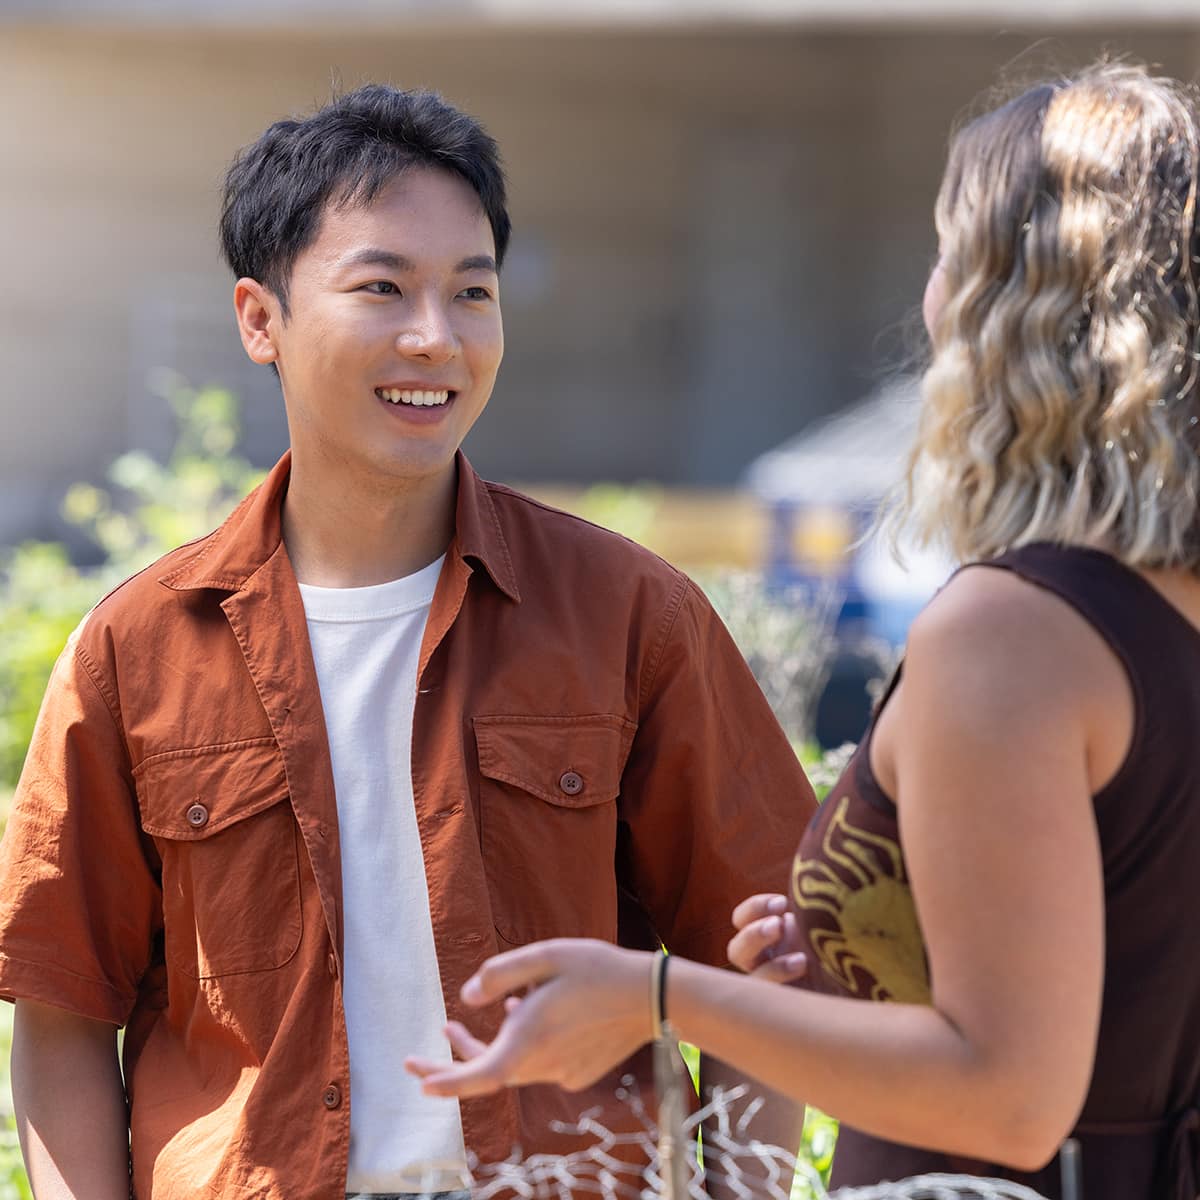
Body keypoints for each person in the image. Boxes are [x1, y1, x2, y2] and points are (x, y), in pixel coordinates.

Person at [0, 85, 815, 1198]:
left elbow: (760, 959)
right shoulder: (135, 650)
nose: (437, 338)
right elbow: (61, 1015)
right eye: (382, 287)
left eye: (471, 294)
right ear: (260, 319)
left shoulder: (631, 615)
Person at [406, 62, 1200, 1200]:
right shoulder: (1158, 613)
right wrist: (863, 970)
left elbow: (1011, 1098)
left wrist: (658, 998)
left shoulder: (1016, 633)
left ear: (1010, 297)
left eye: (946, 251)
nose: (928, 297)